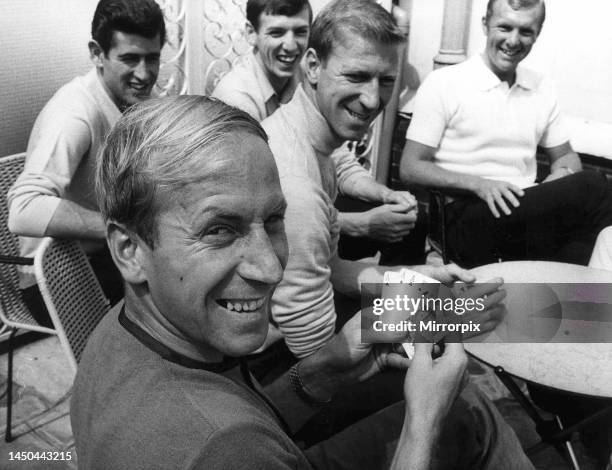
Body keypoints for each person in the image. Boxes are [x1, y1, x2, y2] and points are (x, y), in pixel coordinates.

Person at [71, 94, 533, 469]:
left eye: (274, 220)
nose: (270, 269)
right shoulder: (229, 445)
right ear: (128, 250)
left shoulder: (117, 330)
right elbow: (237, 437)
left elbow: (250, 415)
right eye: (219, 230)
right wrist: (423, 423)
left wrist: (325, 368)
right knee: (469, 412)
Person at [262, 0, 454, 358]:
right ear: (314, 66)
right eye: (356, 76)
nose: (371, 99)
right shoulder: (296, 184)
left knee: (460, 310)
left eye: (385, 81)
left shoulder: (309, 140)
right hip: (278, 366)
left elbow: (332, 270)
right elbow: (311, 353)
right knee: (454, 345)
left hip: (303, 336)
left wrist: (416, 282)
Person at [400, 0, 612, 269]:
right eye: (505, 27)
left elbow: (567, 156)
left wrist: (557, 180)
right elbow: (410, 168)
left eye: (525, 31)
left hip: (524, 212)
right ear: (485, 25)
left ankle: (584, 303)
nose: (513, 41)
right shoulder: (446, 83)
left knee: (581, 246)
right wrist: (479, 184)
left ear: (538, 33)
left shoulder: (541, 87)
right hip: (465, 217)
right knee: (595, 187)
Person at [7, 0, 166, 308]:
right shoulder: (74, 113)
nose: (144, 74)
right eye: (130, 59)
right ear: (97, 53)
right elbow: (23, 208)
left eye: (153, 58)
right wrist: (120, 227)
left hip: (108, 256)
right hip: (54, 275)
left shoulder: (135, 97)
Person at [212, 0, 312, 122]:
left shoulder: (307, 76)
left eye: (300, 32)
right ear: (251, 33)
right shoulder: (235, 100)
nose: (290, 46)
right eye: (276, 33)